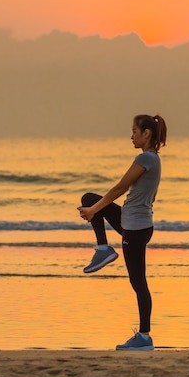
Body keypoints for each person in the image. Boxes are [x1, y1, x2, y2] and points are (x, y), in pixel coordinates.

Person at [77, 114, 166, 351]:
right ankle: (103, 249)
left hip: (134, 229)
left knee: (138, 283)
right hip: (134, 223)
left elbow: (120, 187)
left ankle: (145, 336)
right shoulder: (153, 158)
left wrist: (94, 211)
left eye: (134, 131)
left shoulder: (145, 158)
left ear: (146, 134)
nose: (131, 136)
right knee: (88, 198)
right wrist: (94, 208)